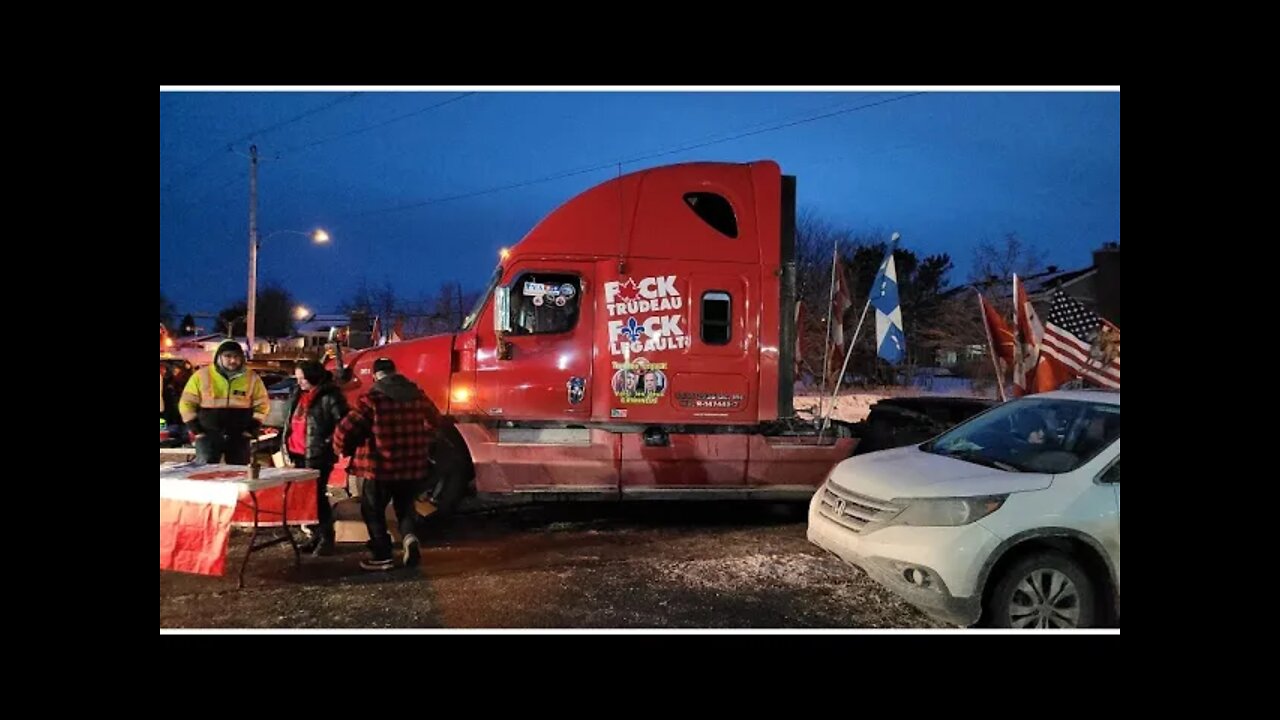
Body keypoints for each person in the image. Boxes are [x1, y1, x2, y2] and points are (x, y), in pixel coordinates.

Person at [333, 358, 444, 571]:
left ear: (375, 376)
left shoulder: (372, 400)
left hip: (379, 468)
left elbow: (346, 430)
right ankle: (410, 538)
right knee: (405, 507)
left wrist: (341, 448)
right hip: (412, 467)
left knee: (372, 510)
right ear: (395, 372)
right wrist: (423, 440)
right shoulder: (417, 396)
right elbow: (435, 421)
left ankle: (381, 554)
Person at [280, 361, 349, 556]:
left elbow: (343, 422)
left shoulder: (330, 396)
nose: (299, 382)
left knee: (317, 496)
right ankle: (316, 535)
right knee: (306, 498)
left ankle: (326, 537)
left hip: (318, 454)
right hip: (298, 452)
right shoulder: (299, 394)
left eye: (302, 378)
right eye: (298, 378)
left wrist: (328, 442)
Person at [179, 339, 270, 464]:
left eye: (236, 356)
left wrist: (251, 429)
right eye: (228, 356)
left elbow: (262, 405)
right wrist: (196, 430)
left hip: (239, 437)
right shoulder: (201, 376)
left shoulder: (252, 378)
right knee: (205, 475)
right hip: (207, 435)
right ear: (218, 357)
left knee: (239, 475)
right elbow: (186, 404)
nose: (233, 360)